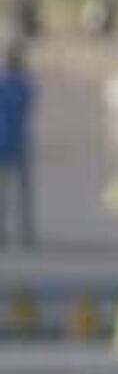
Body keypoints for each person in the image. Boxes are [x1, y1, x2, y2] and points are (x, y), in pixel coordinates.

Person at [0, 39, 36, 247]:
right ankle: (25, 233)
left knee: (5, 191)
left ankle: (7, 232)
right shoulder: (25, 86)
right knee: (21, 191)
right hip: (18, 142)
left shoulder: (6, 85)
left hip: (5, 141)